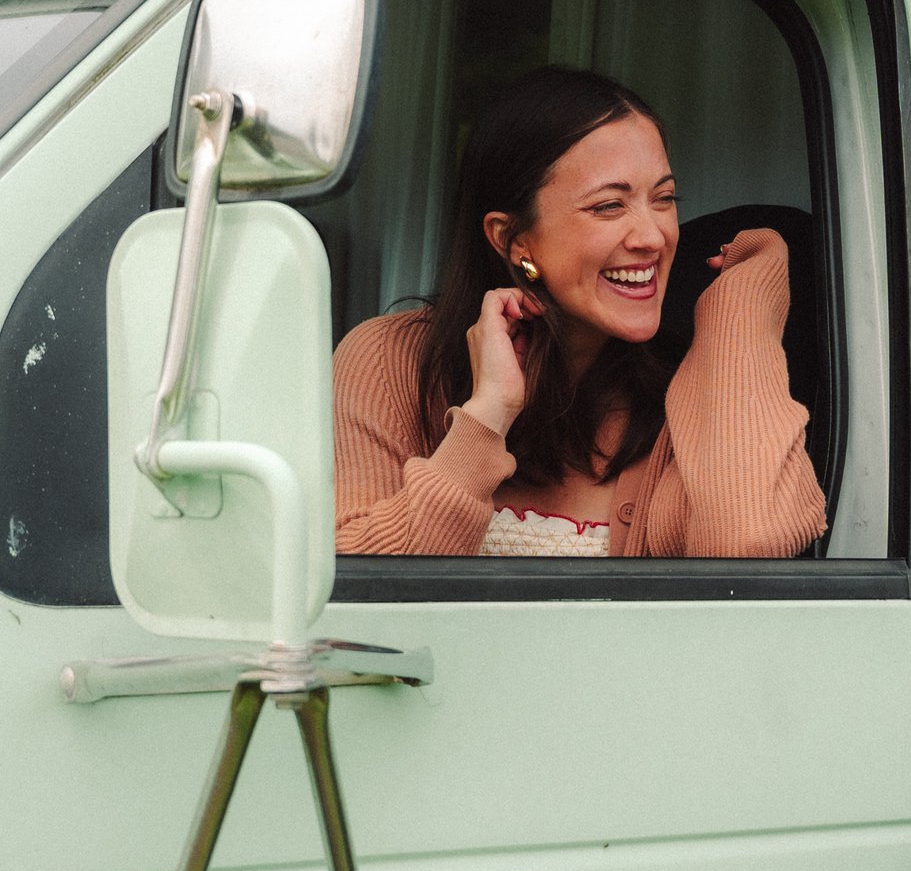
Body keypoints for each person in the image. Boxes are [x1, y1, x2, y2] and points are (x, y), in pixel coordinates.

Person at [332, 64, 826, 560]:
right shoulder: (388, 361)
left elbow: (750, 542)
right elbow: (354, 585)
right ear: (511, 238)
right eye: (609, 206)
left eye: (665, 199)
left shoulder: (687, 396)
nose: (653, 236)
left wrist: (741, 306)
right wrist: (487, 418)